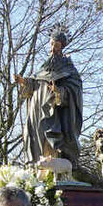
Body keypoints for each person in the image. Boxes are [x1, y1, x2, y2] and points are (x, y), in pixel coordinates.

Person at [16, 30, 84, 168]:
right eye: (52, 44)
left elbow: (74, 89)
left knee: (51, 142)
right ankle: (35, 168)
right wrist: (25, 82)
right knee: (34, 138)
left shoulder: (69, 69)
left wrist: (59, 92)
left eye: (57, 45)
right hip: (36, 111)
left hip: (55, 114)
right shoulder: (43, 68)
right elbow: (35, 84)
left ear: (62, 47)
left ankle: (55, 168)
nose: (53, 48)